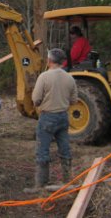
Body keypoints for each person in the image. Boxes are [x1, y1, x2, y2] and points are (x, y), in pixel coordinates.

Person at [32, 48, 78, 188]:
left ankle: (41, 184)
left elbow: (36, 99)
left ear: (49, 60)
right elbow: (74, 100)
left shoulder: (44, 77)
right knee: (64, 148)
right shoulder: (69, 78)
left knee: (42, 150)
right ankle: (67, 179)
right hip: (63, 116)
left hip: (47, 117)